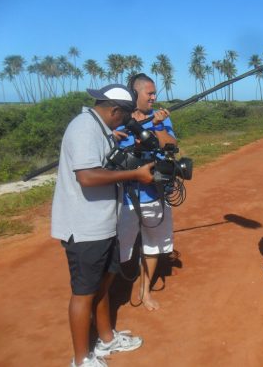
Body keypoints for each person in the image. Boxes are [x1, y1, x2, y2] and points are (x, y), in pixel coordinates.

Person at [51, 84, 154, 367]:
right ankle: (81, 359)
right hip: (84, 227)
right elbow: (86, 176)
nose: (124, 122)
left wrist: (113, 139)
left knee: (103, 285)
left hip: (104, 223)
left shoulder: (100, 130)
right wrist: (134, 173)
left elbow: (101, 159)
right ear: (114, 110)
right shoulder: (84, 129)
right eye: (123, 117)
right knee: (84, 293)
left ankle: (107, 339)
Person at [116, 73, 177, 311]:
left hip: (155, 193)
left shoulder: (159, 118)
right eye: (149, 93)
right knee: (121, 246)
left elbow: (170, 144)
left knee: (153, 245)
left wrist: (158, 125)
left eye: (154, 93)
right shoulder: (119, 119)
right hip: (126, 197)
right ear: (135, 94)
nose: (154, 97)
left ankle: (145, 290)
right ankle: (115, 290)